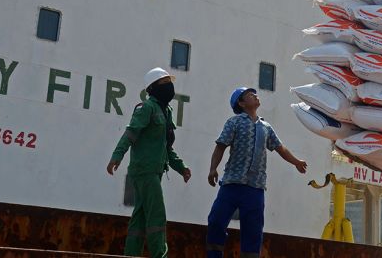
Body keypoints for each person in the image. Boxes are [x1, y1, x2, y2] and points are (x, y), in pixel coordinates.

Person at [206, 87, 307, 258]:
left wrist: (296, 161)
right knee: (216, 220)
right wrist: (213, 169)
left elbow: (280, 148)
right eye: (249, 95)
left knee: (253, 230)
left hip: (255, 187)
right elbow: (220, 146)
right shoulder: (234, 122)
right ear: (241, 103)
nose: (255, 96)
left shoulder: (266, 127)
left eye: (255, 94)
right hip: (232, 184)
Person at [107, 67, 191, 258]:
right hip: (144, 170)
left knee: (141, 215)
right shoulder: (147, 108)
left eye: (170, 82)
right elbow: (131, 133)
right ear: (152, 88)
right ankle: (159, 255)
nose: (169, 86)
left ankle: (132, 254)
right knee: (157, 215)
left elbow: (166, 147)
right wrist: (117, 156)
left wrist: (181, 167)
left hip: (153, 170)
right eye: (164, 83)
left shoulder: (166, 111)